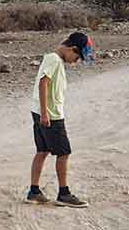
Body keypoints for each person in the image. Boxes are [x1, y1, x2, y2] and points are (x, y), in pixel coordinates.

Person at [26, 31, 93, 207]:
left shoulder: (54, 60)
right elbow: (43, 83)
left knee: (42, 151)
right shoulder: (54, 59)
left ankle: (34, 191)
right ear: (72, 48)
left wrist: (41, 112)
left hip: (41, 112)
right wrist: (45, 112)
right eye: (77, 57)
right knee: (64, 153)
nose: (76, 61)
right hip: (51, 116)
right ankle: (64, 193)